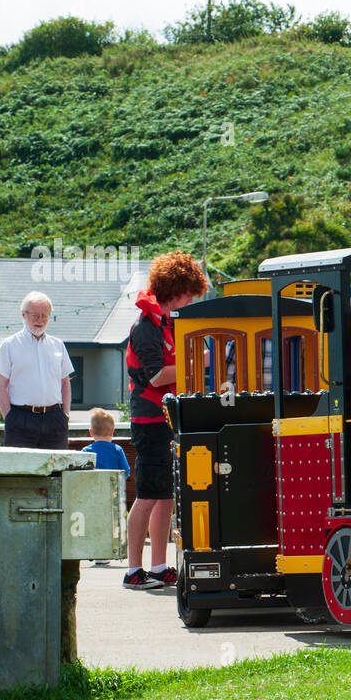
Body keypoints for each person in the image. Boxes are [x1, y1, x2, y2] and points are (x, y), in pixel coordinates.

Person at [124, 251, 208, 591]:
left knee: (165, 495)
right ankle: (133, 570)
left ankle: (158, 566)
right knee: (146, 494)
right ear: (174, 288)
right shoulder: (145, 328)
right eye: (188, 292)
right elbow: (157, 376)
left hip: (166, 417)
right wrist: (196, 363)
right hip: (148, 419)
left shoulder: (166, 323)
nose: (190, 299)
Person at [0, 291, 74, 449]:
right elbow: (0, 385)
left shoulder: (58, 345)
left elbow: (65, 383)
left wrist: (65, 415)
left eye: (45, 315)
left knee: (57, 471)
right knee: (20, 471)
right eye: (35, 315)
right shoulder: (9, 345)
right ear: (23, 315)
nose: (40, 320)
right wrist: (9, 417)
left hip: (55, 419)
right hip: (20, 419)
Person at [82, 407, 131, 567]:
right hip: (112, 494)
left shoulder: (86, 451)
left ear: (91, 432)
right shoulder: (117, 450)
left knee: (95, 522)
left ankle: (96, 552)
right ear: (112, 431)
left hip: (92, 495)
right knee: (111, 524)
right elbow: (126, 472)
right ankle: (110, 551)